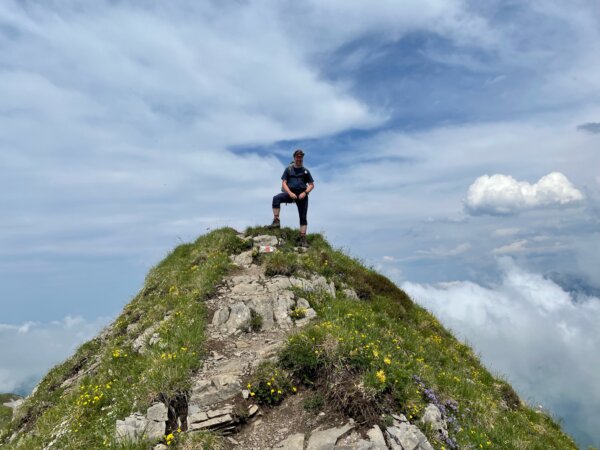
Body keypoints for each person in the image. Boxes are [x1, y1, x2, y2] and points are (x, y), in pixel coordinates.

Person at [269, 149, 315, 247]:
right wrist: (289, 193)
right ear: (294, 157)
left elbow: (311, 185)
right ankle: (276, 221)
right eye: (298, 156)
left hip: (302, 195)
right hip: (291, 193)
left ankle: (303, 239)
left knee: (303, 217)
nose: (299, 158)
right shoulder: (289, 169)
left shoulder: (306, 171)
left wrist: (305, 192)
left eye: (301, 157)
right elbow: (284, 183)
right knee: (276, 198)